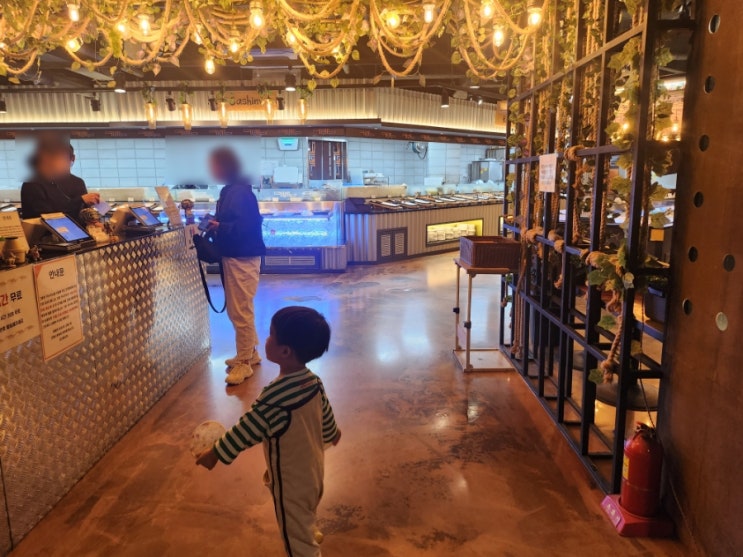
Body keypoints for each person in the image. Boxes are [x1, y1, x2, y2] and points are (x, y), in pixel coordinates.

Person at [197, 306, 342, 557]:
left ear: (285, 351)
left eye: (271, 335)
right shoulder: (313, 382)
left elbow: (246, 429)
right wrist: (333, 433)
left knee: (295, 538)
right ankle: (306, 530)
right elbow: (325, 416)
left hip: (290, 482)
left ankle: (304, 542)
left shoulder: (273, 397)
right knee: (305, 507)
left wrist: (215, 453)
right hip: (314, 471)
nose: (266, 339)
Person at [207, 147, 266, 385]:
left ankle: (244, 362)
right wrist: (219, 223)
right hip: (236, 255)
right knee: (239, 308)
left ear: (225, 167)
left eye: (214, 165)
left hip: (242, 257)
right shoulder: (233, 190)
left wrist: (219, 226)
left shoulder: (239, 192)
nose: (212, 170)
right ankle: (250, 353)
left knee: (240, 310)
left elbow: (246, 227)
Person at [21, 136, 100, 220]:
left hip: (76, 228)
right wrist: (80, 200)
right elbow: (46, 216)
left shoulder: (78, 182)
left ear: (72, 158)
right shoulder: (32, 184)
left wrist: (93, 219)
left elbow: (83, 214)